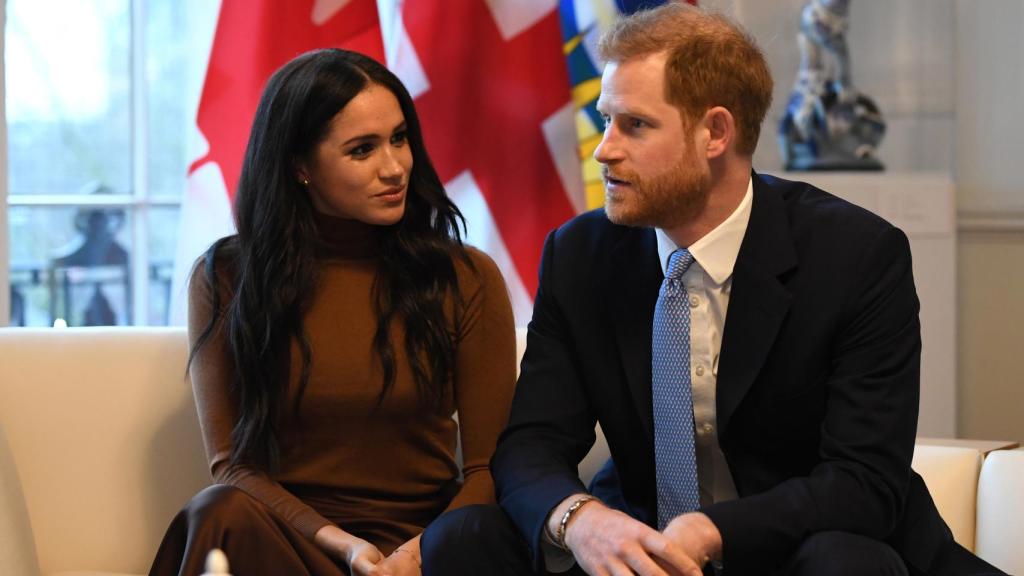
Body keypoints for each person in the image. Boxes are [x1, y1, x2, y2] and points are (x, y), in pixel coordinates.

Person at [421, 5, 1005, 576]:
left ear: (715, 132)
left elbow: (863, 481)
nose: (604, 149)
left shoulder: (857, 256)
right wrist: (581, 520)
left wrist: (713, 530)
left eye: (636, 125)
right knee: (462, 539)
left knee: (840, 561)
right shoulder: (581, 254)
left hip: (800, 544)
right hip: (640, 545)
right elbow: (531, 444)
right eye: (605, 120)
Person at [149, 48, 516, 576]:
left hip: (426, 543)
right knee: (217, 512)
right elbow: (232, 465)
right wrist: (344, 546)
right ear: (300, 166)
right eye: (362, 150)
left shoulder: (463, 275)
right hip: (294, 539)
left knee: (481, 533)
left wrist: (416, 553)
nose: (395, 167)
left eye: (399, 138)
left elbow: (488, 467)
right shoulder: (228, 274)